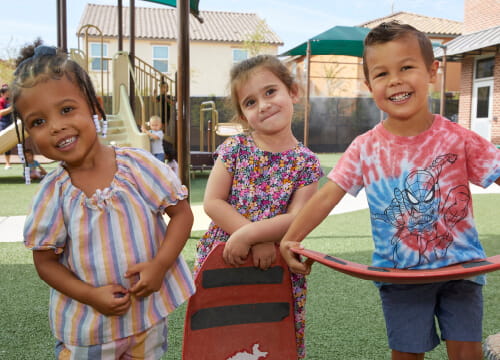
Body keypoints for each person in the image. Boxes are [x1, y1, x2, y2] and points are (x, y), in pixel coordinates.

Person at [280, 21, 500, 360]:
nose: (395, 80)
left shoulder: (458, 138)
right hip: (401, 277)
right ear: (370, 85)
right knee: (406, 355)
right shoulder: (365, 148)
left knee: (466, 353)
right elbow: (326, 195)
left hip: (462, 270)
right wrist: (290, 237)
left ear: (432, 71)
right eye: (382, 74)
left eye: (407, 67)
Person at [11, 45, 195, 359]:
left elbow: (181, 215)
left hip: (145, 321)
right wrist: (90, 295)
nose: (55, 126)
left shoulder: (137, 165)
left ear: (95, 108)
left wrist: (159, 265)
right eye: (38, 122)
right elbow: (45, 263)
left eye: (67, 110)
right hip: (89, 332)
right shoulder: (53, 193)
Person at [195, 54, 324, 359]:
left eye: (270, 92)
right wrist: (250, 237)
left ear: (293, 92)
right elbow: (212, 202)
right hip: (226, 256)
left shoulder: (307, 163)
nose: (263, 105)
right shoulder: (235, 149)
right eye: (250, 102)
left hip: (276, 264)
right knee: (221, 335)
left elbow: (298, 218)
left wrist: (256, 238)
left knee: (271, 338)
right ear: (242, 115)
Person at [0, 84, 13, 169]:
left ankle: (8, 163)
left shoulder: (11, 101)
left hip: (11, 123)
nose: (9, 94)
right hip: (2, 124)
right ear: (3, 93)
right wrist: (10, 109)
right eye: (8, 92)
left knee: (9, 144)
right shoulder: (1, 101)